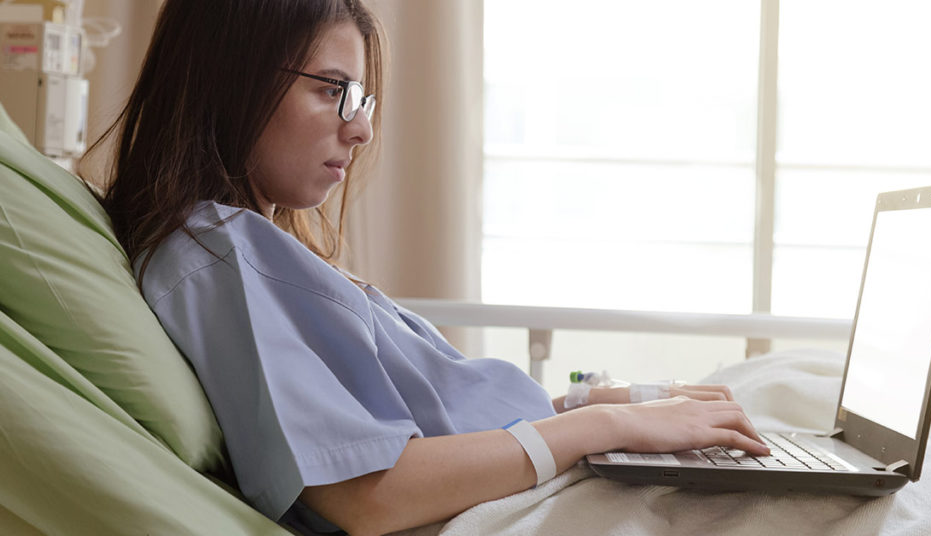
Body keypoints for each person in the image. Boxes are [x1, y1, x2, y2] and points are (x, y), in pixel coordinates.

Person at [91, 1, 769, 534]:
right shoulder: (216, 255)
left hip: (523, 477)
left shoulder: (253, 244)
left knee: (777, 401)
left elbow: (431, 417)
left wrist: (602, 403)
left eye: (359, 100)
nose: (360, 131)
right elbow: (367, 494)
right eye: (332, 91)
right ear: (229, 77)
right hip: (493, 511)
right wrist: (607, 428)